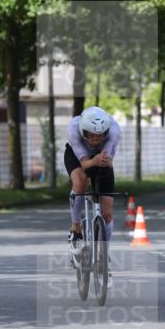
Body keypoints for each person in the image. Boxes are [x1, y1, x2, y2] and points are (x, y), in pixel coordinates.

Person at [64, 106, 121, 253]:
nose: (95, 140)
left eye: (100, 135)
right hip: (77, 157)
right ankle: (75, 227)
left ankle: (104, 254)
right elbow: (84, 164)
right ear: (84, 132)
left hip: (100, 159)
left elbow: (108, 163)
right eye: (91, 135)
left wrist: (104, 161)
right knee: (80, 181)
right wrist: (93, 163)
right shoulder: (74, 129)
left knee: (107, 213)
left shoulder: (114, 130)